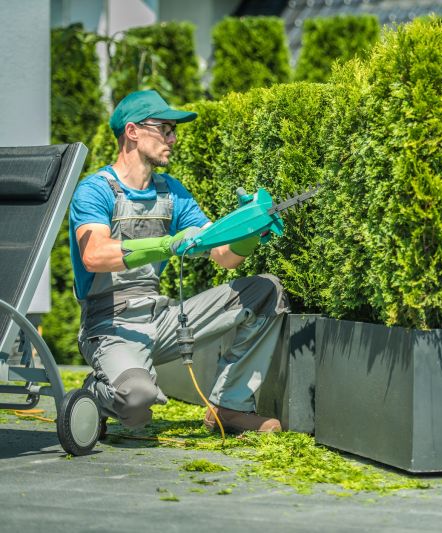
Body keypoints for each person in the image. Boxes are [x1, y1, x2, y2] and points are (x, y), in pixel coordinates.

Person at [69, 89, 288, 435]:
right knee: (136, 404)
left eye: (175, 131)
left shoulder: (172, 193)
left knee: (266, 291)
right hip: (110, 324)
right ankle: (94, 393)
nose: (173, 138)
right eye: (165, 129)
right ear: (132, 131)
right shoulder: (94, 190)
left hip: (162, 318)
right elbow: (94, 255)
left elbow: (224, 256)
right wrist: (167, 243)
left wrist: (247, 231)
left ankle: (230, 408)